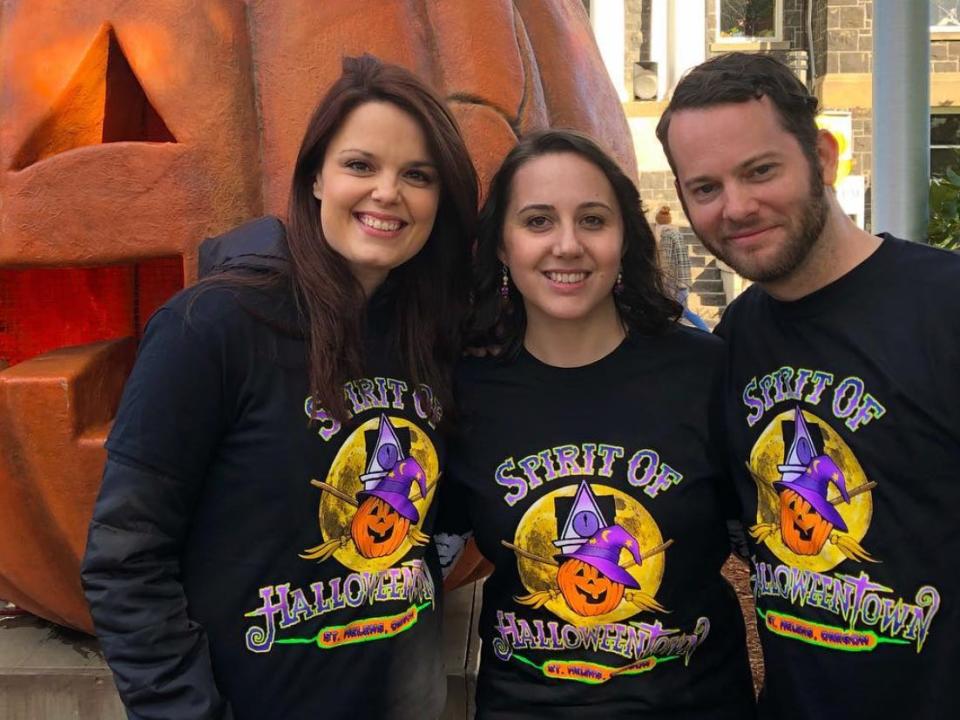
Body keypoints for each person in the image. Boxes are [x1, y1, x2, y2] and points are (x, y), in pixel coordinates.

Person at [81, 55, 478, 720]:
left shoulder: (433, 338)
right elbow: (124, 560)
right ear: (316, 177)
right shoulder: (212, 327)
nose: (388, 192)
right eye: (361, 165)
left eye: (418, 175)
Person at [656, 51, 960, 720]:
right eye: (705, 188)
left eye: (760, 170)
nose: (737, 206)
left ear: (822, 157)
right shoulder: (735, 338)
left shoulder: (943, 307)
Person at [436, 130, 756, 719]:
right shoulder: (467, 390)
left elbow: (773, 556)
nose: (567, 245)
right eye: (537, 221)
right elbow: (423, 555)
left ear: (624, 239)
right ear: (502, 246)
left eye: (592, 220)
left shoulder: (706, 371)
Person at [654, 205, 710, 330]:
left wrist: (663, 283)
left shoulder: (666, 236)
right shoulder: (677, 234)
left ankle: (705, 331)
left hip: (674, 283)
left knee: (682, 312)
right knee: (681, 312)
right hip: (683, 280)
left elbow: (666, 262)